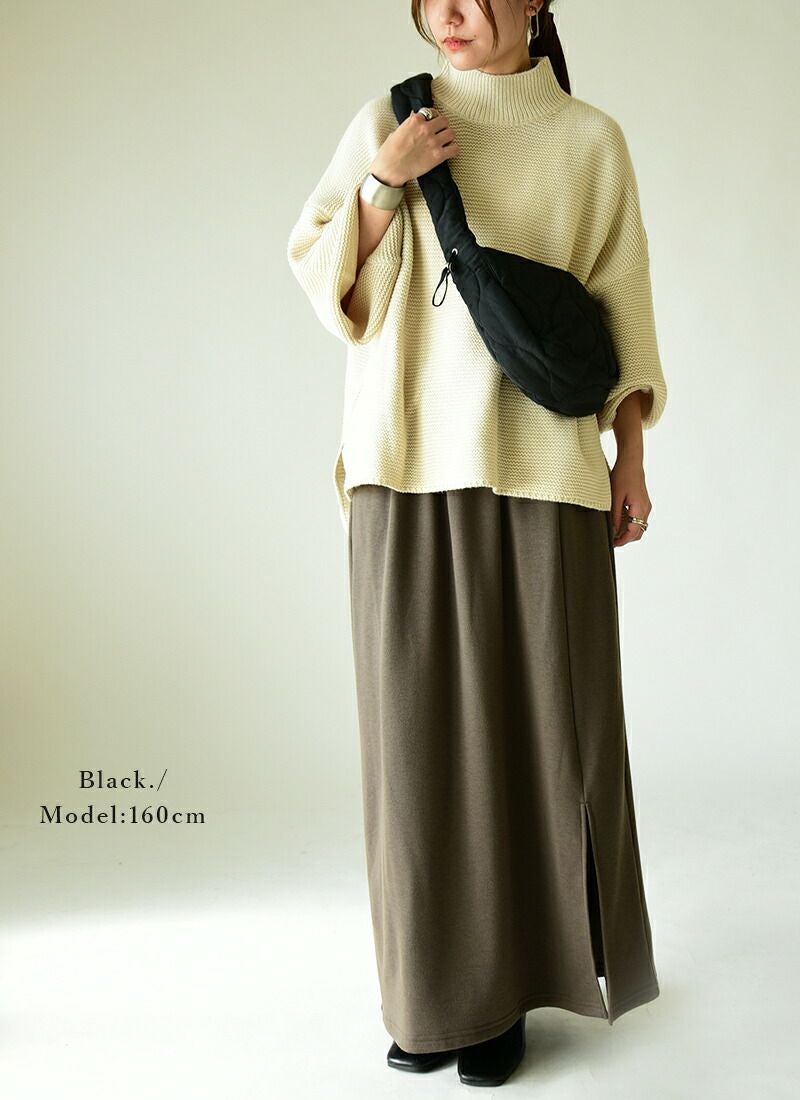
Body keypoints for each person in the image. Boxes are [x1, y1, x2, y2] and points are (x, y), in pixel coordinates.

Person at [287, 0, 667, 1087]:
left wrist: (629, 459)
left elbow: (620, 311)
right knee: (415, 751)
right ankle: (434, 998)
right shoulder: (393, 118)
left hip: (543, 472)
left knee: (545, 741)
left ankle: (511, 995)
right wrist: (383, 180)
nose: (447, 14)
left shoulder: (588, 142)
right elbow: (326, 280)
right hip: (403, 464)